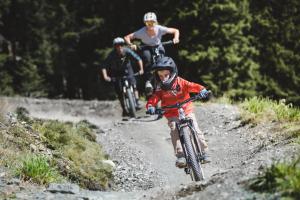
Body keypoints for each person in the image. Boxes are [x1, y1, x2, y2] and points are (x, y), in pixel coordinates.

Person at [146, 56, 210, 168]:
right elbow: (154, 98)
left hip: (186, 110)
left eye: (166, 75)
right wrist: (150, 106)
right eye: (160, 76)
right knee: (174, 130)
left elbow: (192, 86)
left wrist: (202, 90)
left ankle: (204, 152)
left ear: (172, 72)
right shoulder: (160, 88)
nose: (163, 78)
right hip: (171, 113)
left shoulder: (180, 82)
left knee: (196, 128)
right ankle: (181, 155)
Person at [124, 12, 180, 96]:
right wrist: (131, 45)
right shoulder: (141, 32)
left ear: (156, 22)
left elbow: (176, 31)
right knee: (147, 58)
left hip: (158, 46)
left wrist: (176, 38)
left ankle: (167, 79)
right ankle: (149, 81)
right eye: (147, 23)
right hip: (146, 47)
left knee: (163, 61)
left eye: (152, 22)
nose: (150, 25)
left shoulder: (160, 29)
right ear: (145, 23)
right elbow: (127, 37)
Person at [101, 37, 144, 117]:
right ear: (115, 46)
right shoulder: (111, 55)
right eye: (117, 45)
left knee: (134, 85)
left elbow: (138, 59)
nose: (119, 46)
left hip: (128, 70)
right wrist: (105, 76)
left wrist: (141, 69)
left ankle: (137, 102)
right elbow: (104, 66)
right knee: (119, 92)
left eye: (121, 44)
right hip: (117, 73)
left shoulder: (127, 51)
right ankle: (124, 109)